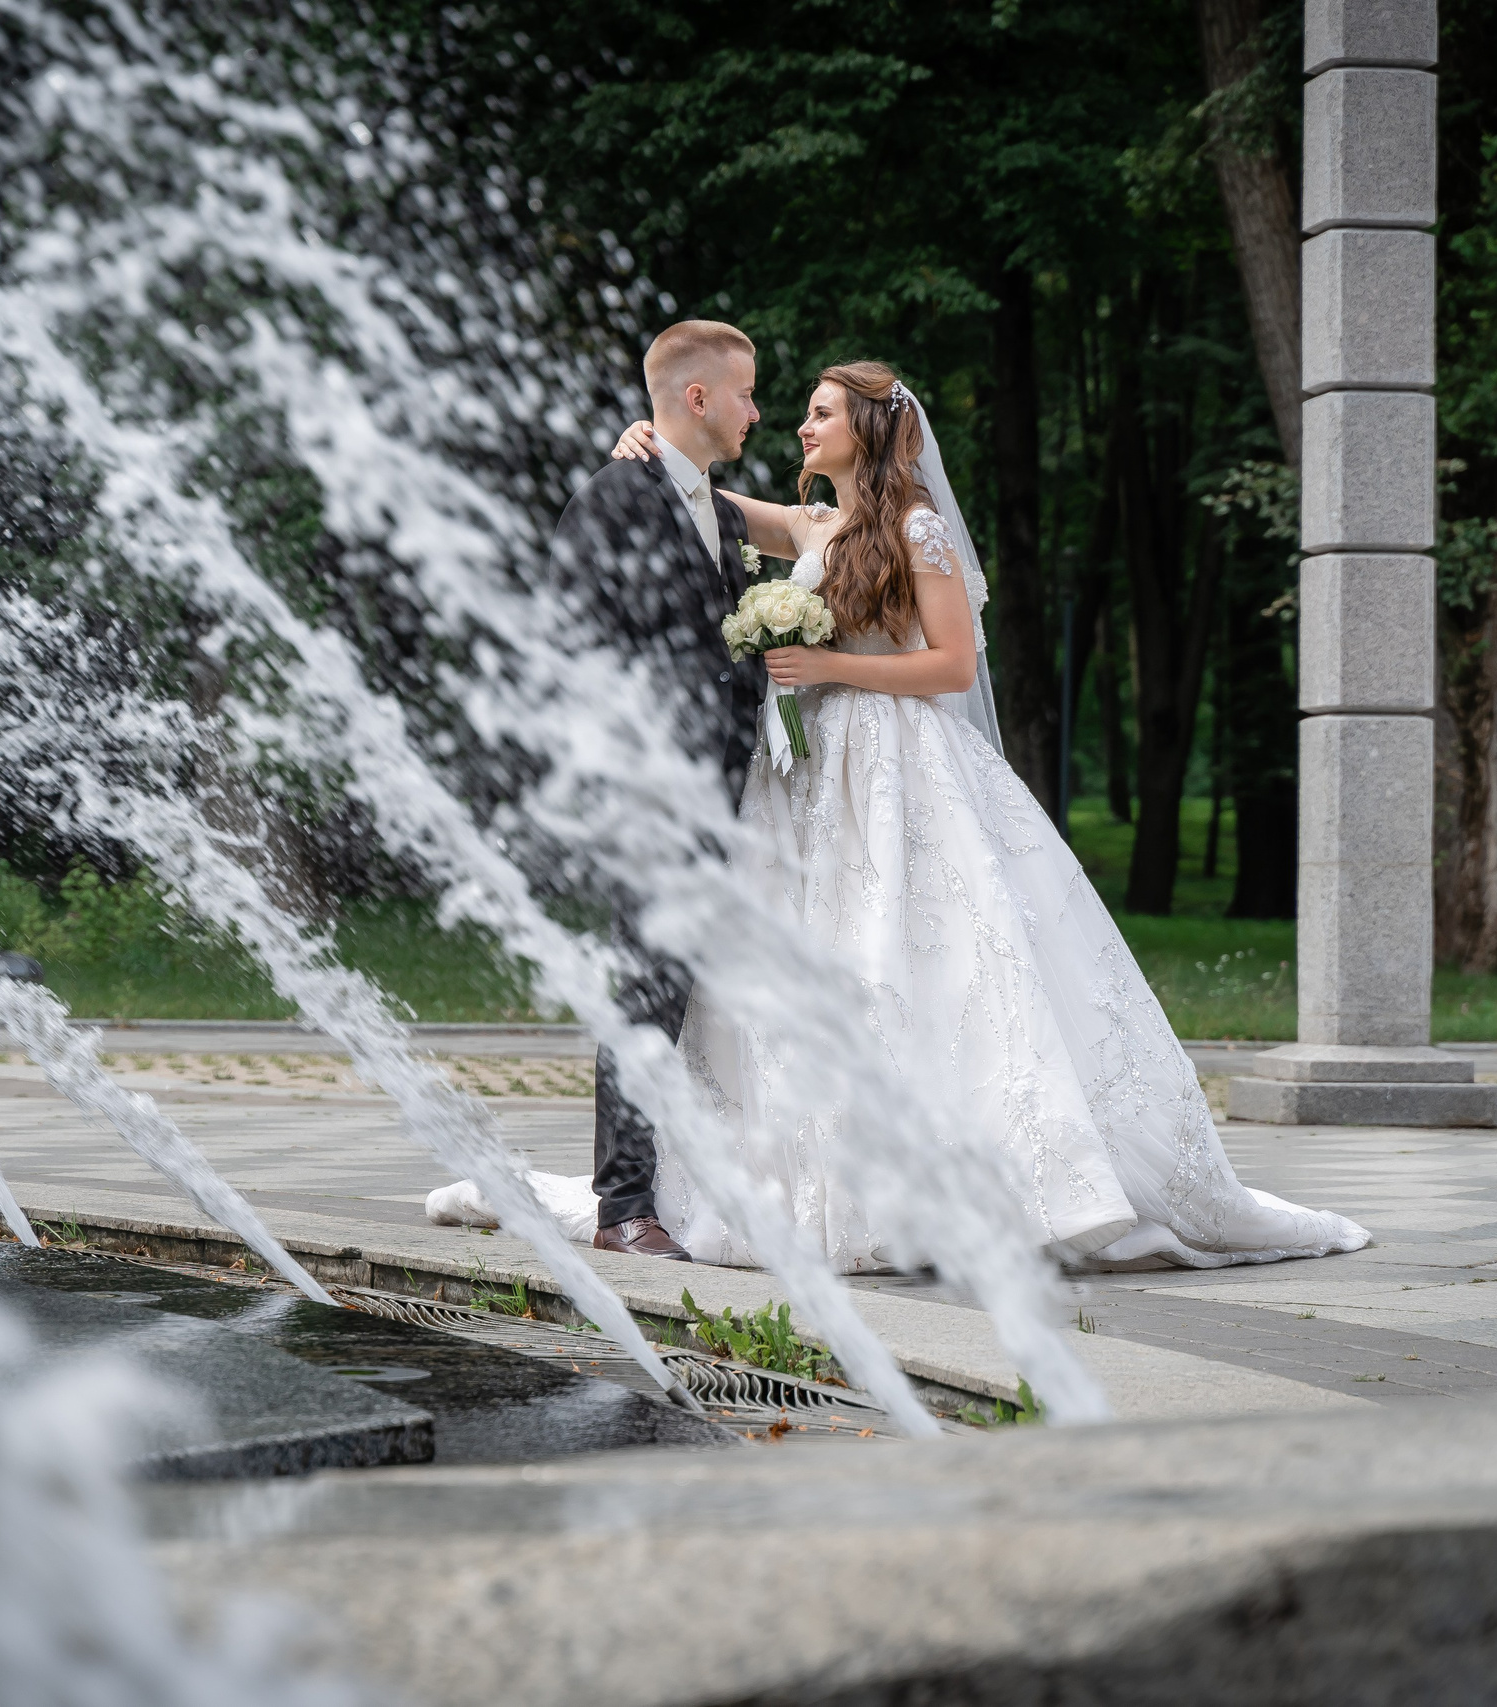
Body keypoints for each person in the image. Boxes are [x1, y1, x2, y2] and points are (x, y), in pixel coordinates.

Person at [605, 363, 1368, 1271]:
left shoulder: (918, 529)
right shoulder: (813, 522)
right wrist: (640, 448)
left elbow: (954, 667)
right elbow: (709, 497)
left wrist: (833, 668)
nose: (800, 427)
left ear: (870, 429)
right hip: (812, 786)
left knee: (919, 959)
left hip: (899, 767)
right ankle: (831, 1180)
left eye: (820, 413)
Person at [549, 319, 765, 1261]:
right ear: (698, 397)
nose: (759, 411)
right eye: (749, 393)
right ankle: (622, 1210)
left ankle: (686, 1185)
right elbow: (571, 649)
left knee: (688, 996)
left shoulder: (718, 512)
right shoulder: (610, 499)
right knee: (644, 990)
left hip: (722, 793)